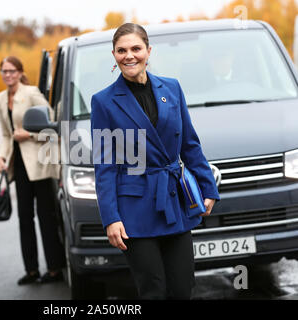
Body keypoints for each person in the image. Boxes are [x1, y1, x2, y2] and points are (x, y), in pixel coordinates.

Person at [90, 23, 220, 300]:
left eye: (136, 49)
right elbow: (104, 165)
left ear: (149, 51)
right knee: (153, 290)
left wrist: (208, 187)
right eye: (122, 50)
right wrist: (111, 218)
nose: (129, 56)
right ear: (113, 54)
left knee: (182, 288)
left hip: (174, 201)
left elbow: (190, 144)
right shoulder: (103, 102)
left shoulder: (172, 88)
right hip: (134, 209)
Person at [0, 56, 65, 285]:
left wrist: (29, 134)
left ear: (20, 72)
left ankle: (54, 269)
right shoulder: (0, 99)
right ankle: (31, 270)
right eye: (4, 71)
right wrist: (2, 156)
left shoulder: (32, 92)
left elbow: (52, 123)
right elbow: (6, 134)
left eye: (12, 70)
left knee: (46, 216)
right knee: (24, 217)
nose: (8, 75)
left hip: (40, 163)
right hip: (20, 166)